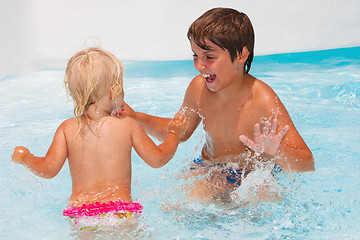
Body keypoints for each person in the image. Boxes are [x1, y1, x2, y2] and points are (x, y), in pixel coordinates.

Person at [118, 8, 314, 201]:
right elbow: (180, 132)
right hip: (209, 168)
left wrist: (276, 150)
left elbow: (307, 163)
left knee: (265, 197)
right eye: (195, 55)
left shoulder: (263, 99)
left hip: (252, 176)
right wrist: (136, 117)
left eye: (209, 57)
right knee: (175, 205)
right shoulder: (198, 88)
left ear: (241, 55)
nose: (199, 65)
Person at [11, 48, 189, 228]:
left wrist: (25, 157)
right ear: (115, 91)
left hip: (81, 216)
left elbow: (47, 170)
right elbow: (157, 159)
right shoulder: (127, 125)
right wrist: (174, 134)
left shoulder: (67, 129)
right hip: (120, 214)